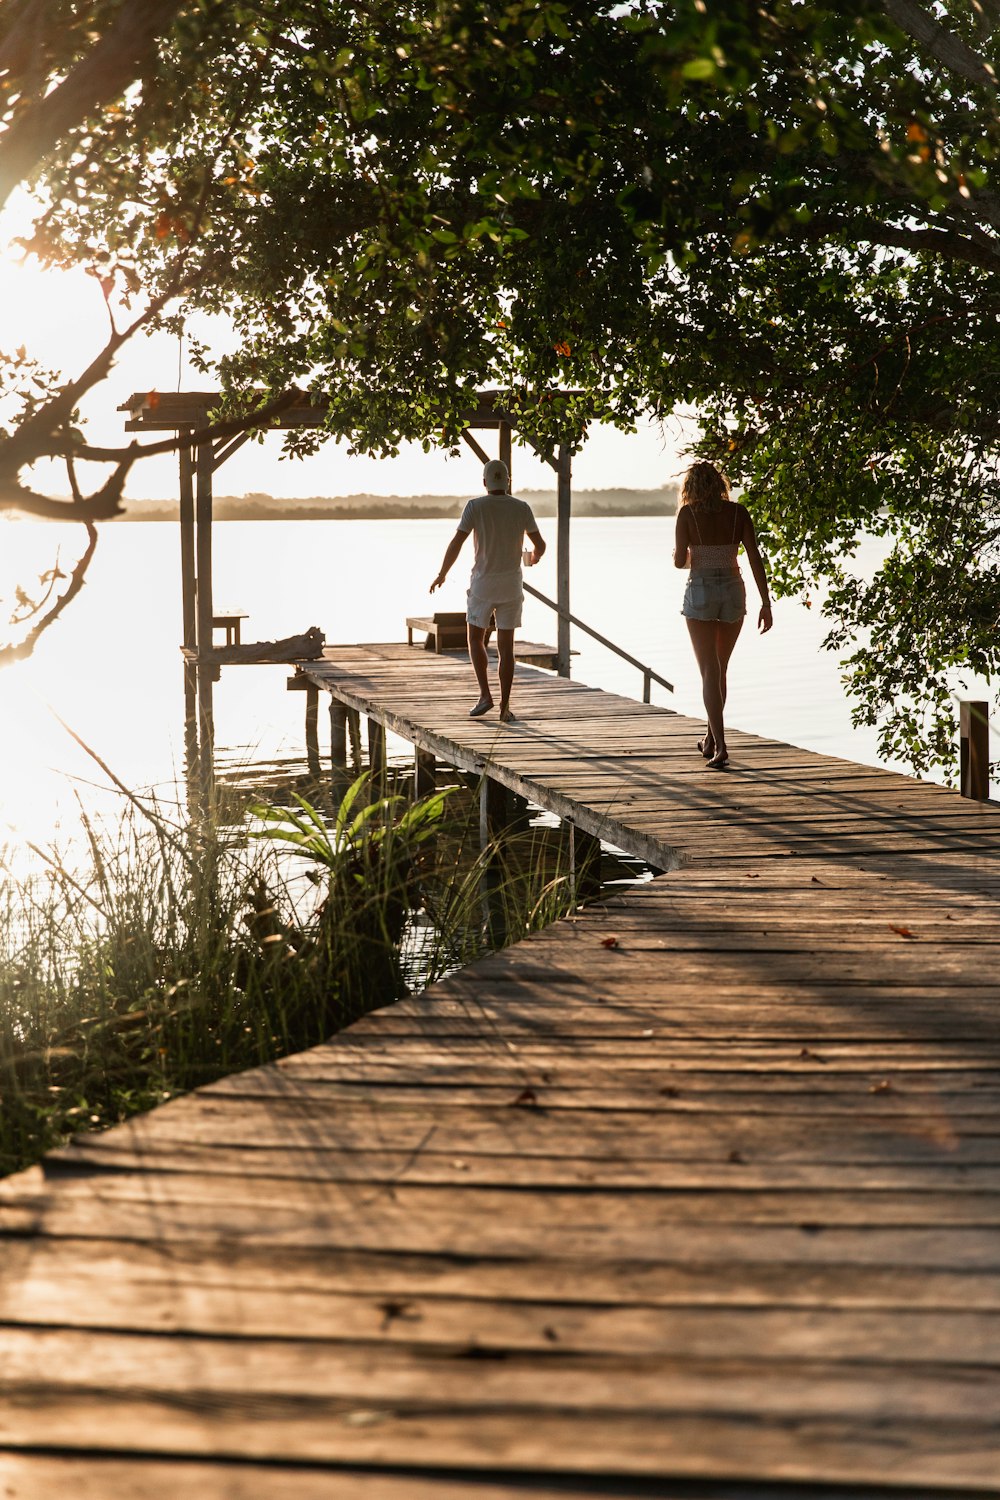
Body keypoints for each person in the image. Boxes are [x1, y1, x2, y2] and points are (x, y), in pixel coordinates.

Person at [673, 460, 772, 769]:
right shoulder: (738, 513)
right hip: (732, 588)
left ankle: (721, 746)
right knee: (720, 669)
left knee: (708, 671)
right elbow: (754, 558)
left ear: (690, 487)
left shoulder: (687, 514)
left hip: (701, 589)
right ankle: (711, 740)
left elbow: (679, 562)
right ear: (719, 484)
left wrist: (689, 556)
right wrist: (765, 602)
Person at [430, 458, 546, 722]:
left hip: (482, 584)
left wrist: (442, 574)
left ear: (484, 482)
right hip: (511, 586)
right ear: (508, 481)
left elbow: (456, 543)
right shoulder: (522, 508)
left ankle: (485, 695)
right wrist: (535, 556)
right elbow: (540, 544)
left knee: (475, 639)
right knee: (507, 649)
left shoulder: (475, 507)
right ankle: (505, 708)